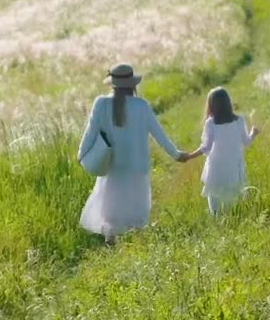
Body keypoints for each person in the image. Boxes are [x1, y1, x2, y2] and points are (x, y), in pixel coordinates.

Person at [78, 63, 190, 243]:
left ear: (112, 84)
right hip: (137, 166)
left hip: (112, 165)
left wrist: (81, 155)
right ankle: (136, 243)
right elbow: (159, 135)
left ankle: (111, 243)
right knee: (136, 209)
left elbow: (90, 133)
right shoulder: (141, 106)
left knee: (111, 208)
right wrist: (176, 155)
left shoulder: (101, 104)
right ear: (133, 84)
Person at [184, 87, 259, 215]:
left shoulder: (211, 124)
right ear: (228, 103)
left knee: (214, 194)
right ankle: (230, 219)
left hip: (216, 167)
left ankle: (216, 219)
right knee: (232, 197)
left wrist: (190, 156)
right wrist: (253, 133)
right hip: (233, 166)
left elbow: (205, 147)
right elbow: (246, 142)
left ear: (212, 106)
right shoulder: (239, 120)